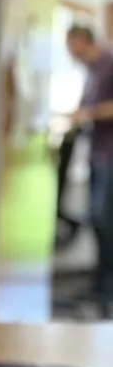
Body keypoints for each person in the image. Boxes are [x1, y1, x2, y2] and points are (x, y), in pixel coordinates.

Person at [66, 25, 113, 304]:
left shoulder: (110, 64)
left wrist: (88, 112)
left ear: (83, 41)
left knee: (104, 219)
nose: (69, 52)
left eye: (70, 44)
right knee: (97, 220)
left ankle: (108, 287)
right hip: (95, 155)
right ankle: (100, 283)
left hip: (110, 156)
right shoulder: (90, 73)